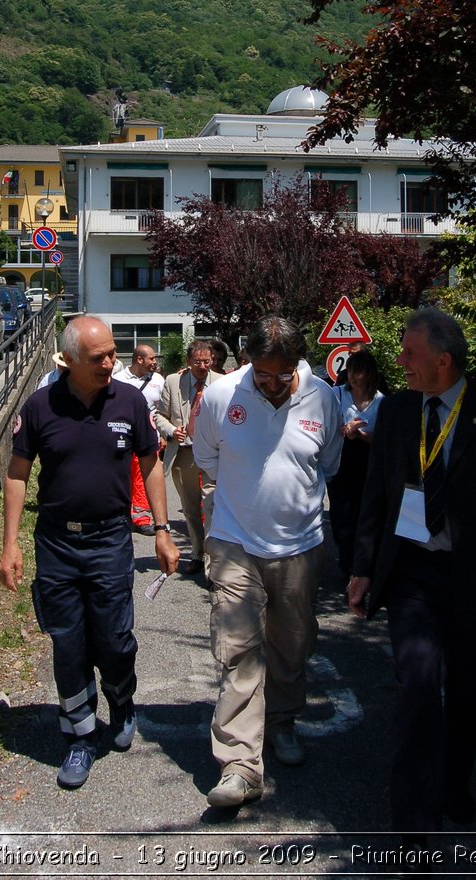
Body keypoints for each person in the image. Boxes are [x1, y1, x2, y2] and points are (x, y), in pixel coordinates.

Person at [348, 307, 476, 840]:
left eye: (409, 353)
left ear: (443, 362)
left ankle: (454, 782)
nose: (399, 361)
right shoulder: (396, 412)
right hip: (412, 576)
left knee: (466, 694)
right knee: (418, 689)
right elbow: (377, 494)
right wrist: (362, 568)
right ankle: (413, 831)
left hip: (475, 577)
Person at [0, 316, 180, 790]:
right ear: (70, 360)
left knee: (115, 638)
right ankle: (80, 734)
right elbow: (17, 474)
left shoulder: (131, 401)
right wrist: (10, 544)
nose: (110, 363)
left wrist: (161, 530)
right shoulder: (40, 406)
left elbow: (151, 463)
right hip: (57, 542)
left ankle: (121, 703)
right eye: (98, 357)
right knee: (68, 643)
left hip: (109, 540)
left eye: (112, 353)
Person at [192, 315, 343, 808]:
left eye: (284, 375)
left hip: (301, 546)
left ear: (298, 363)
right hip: (235, 542)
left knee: (291, 645)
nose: (274, 384)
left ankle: (281, 722)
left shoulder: (322, 397)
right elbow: (207, 459)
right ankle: (239, 763)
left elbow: (328, 463)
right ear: (247, 361)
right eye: (263, 375)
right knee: (238, 650)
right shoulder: (220, 397)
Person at [155, 340, 219, 575]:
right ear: (188, 361)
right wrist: (172, 431)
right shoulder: (173, 381)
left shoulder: (222, 383)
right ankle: (196, 553)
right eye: (197, 362)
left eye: (207, 361)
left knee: (211, 506)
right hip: (183, 453)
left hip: (213, 454)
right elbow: (159, 415)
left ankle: (213, 562)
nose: (203, 366)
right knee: (190, 509)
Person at [327, 350, 385, 580]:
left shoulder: (382, 401)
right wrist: (340, 431)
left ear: (369, 373)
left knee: (366, 514)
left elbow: (384, 440)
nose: (353, 376)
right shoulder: (336, 395)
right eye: (350, 370)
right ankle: (347, 561)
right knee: (342, 515)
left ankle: (363, 564)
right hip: (341, 460)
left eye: (358, 371)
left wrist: (361, 435)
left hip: (368, 462)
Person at [113, 344, 165, 535]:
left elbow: (164, 410)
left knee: (145, 477)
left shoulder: (159, 380)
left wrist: (163, 434)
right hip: (123, 437)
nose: (155, 362)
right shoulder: (117, 379)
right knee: (122, 476)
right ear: (139, 360)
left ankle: (142, 518)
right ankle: (122, 514)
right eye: (151, 358)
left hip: (150, 439)